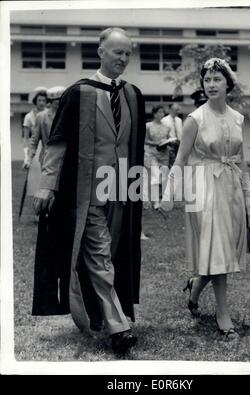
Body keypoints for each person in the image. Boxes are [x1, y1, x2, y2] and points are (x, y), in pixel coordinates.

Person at [32, 27, 146, 355]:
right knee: (100, 255)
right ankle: (118, 328)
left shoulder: (132, 95)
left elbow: (134, 147)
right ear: (100, 51)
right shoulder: (78, 93)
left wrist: (139, 189)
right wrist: (47, 185)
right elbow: (58, 142)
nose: (123, 59)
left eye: (127, 53)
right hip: (87, 193)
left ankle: (98, 313)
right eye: (117, 52)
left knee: (111, 256)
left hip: (122, 191)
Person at [162, 58, 250, 339]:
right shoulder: (195, 120)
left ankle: (196, 285)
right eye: (207, 79)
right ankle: (222, 314)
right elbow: (179, 159)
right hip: (203, 188)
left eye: (217, 79)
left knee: (221, 248)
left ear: (228, 83)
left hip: (231, 187)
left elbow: (242, 160)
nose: (211, 84)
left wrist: (248, 193)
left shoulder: (238, 118)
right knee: (217, 249)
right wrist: (169, 193)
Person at [29, 86, 66, 166]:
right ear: (51, 101)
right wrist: (29, 159)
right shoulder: (41, 117)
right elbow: (34, 140)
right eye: (58, 99)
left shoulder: (68, 116)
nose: (61, 102)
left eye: (62, 99)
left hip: (64, 160)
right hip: (47, 159)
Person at [144, 105, 172, 209]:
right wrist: (156, 143)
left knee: (164, 177)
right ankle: (156, 201)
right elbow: (145, 140)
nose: (162, 114)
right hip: (152, 153)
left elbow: (168, 138)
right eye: (159, 112)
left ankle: (162, 198)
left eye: (163, 112)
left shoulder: (167, 127)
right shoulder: (148, 126)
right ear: (154, 114)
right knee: (155, 177)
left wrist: (169, 141)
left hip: (164, 154)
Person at [23, 87, 47, 169]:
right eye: (39, 100)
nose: (41, 103)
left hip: (46, 149)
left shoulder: (49, 116)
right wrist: (26, 157)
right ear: (35, 102)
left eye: (44, 101)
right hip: (33, 148)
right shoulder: (29, 117)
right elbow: (26, 138)